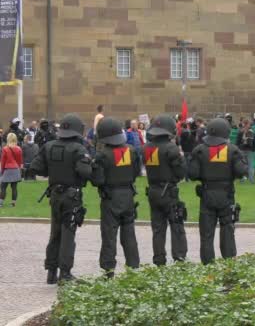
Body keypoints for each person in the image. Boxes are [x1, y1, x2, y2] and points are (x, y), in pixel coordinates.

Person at [29, 114, 93, 283]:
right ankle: (65, 273)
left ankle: (51, 272)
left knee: (55, 233)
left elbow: (36, 168)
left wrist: (54, 171)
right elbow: (86, 173)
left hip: (55, 195)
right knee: (68, 234)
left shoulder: (49, 146)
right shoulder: (79, 149)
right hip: (72, 196)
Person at [189, 118, 248, 264]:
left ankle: (208, 265)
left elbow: (192, 174)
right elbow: (242, 171)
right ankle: (228, 263)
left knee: (206, 234)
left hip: (207, 194)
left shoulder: (199, 150)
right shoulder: (233, 150)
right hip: (226, 194)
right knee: (227, 230)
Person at [91, 117, 140, 278]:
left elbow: (97, 181)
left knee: (109, 235)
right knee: (129, 234)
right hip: (128, 195)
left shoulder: (102, 155)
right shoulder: (131, 150)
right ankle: (133, 268)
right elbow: (136, 173)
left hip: (110, 197)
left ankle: (108, 271)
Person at [143, 114, 188, 266]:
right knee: (176, 225)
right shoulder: (171, 148)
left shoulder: (147, 147)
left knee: (157, 228)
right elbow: (181, 172)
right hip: (168, 191)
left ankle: (159, 259)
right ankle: (179, 257)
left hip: (153, 190)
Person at [0, 133, 23, 207]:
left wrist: (2, 171)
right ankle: (13, 203)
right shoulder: (19, 149)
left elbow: (3, 161)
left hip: (7, 169)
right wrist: (19, 169)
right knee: (14, 187)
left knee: (3, 186)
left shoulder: (5, 149)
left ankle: (1, 202)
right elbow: (19, 161)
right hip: (16, 169)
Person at [236, 119, 255, 183]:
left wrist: (238, 148)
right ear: (249, 124)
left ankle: (243, 179)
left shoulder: (240, 131)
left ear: (243, 124)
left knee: (243, 165)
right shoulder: (252, 132)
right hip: (250, 150)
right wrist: (254, 149)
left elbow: (237, 142)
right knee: (250, 165)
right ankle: (251, 180)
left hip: (241, 149)